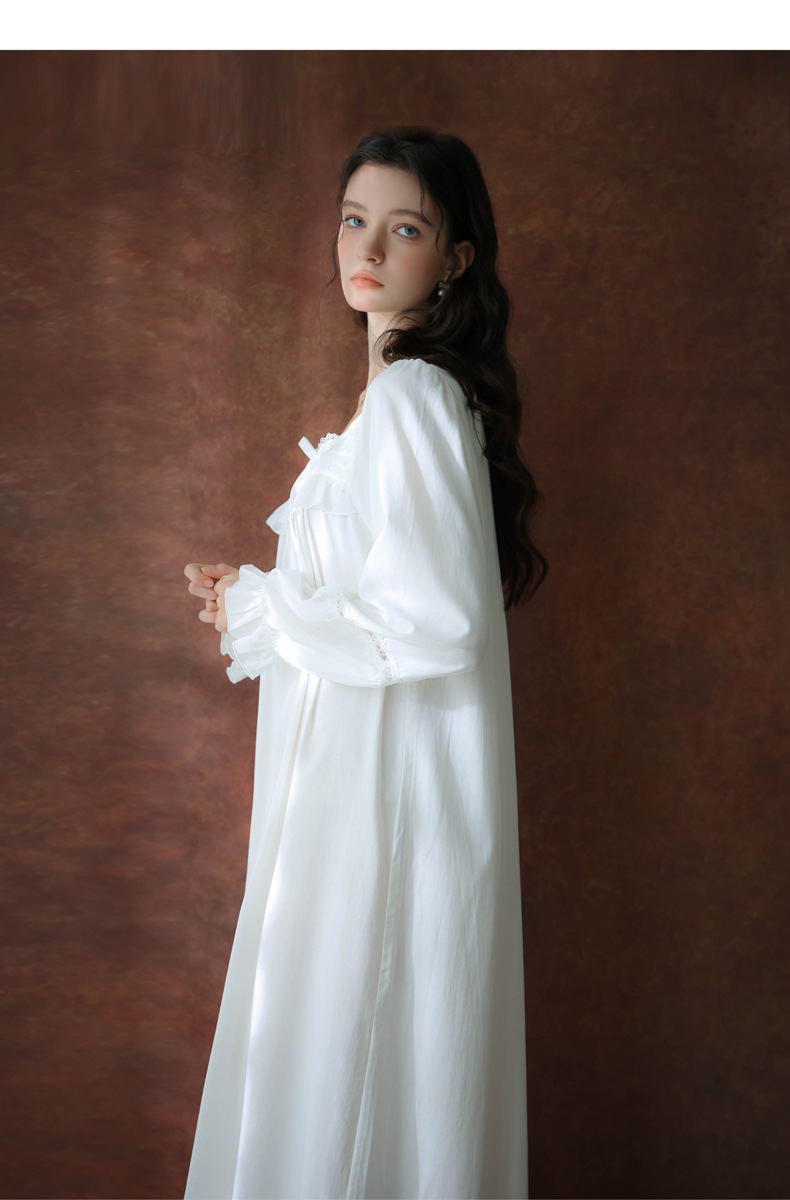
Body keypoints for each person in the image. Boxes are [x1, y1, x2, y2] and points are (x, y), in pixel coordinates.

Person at [183, 126, 547, 1200]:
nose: (371, 250)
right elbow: (380, 600)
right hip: (349, 798)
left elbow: (437, 622)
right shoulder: (394, 403)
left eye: (405, 229)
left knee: (350, 1061)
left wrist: (272, 606)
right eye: (354, 221)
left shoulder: (412, 399)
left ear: (456, 258)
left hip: (383, 813)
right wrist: (260, 599)